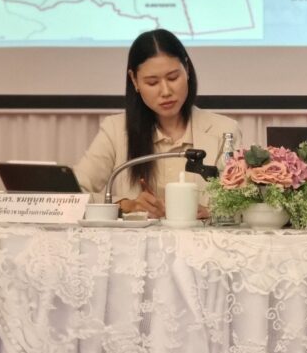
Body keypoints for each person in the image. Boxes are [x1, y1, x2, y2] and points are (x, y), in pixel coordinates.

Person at [75, 29, 240, 218]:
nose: (166, 91)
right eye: (152, 83)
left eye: (173, 78)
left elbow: (240, 203)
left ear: (187, 69)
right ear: (134, 80)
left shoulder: (224, 131)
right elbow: (72, 194)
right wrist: (127, 205)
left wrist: (211, 213)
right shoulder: (115, 130)